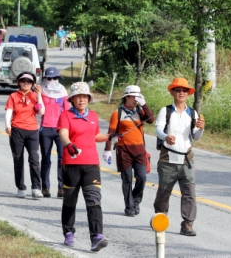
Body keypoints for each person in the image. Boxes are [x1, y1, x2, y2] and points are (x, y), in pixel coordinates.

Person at [57, 82, 113, 252]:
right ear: (72, 99)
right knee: (70, 201)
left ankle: (96, 237)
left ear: (89, 98)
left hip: (91, 165)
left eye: (84, 97)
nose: (82, 100)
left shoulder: (94, 116)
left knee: (94, 200)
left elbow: (95, 135)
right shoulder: (65, 115)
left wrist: (111, 136)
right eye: (78, 97)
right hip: (71, 163)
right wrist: (68, 144)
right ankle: (68, 232)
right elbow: (63, 133)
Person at [153, 77, 205, 236]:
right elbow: (158, 129)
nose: (181, 93)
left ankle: (187, 224)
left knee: (189, 193)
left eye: (184, 90)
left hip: (187, 159)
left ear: (188, 93)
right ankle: (161, 218)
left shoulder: (193, 113)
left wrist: (201, 128)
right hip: (168, 159)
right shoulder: (166, 111)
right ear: (172, 92)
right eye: (178, 90)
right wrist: (165, 137)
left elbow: (195, 137)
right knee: (164, 193)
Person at [103, 85, 155, 217]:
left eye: (138, 97)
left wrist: (145, 105)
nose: (136, 99)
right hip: (124, 150)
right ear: (126, 97)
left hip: (139, 150)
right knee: (126, 179)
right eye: (133, 96)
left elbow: (151, 119)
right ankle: (129, 206)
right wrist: (107, 150)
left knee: (142, 177)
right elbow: (111, 132)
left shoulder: (140, 111)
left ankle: (136, 201)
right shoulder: (118, 113)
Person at [5, 72, 45, 199]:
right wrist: (8, 125)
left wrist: (39, 95)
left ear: (33, 84)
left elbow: (41, 111)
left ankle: (36, 187)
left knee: (34, 158)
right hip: (17, 130)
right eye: (23, 81)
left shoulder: (35, 96)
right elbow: (9, 111)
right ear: (18, 82)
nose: (26, 83)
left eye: (29, 81)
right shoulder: (13, 96)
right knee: (18, 159)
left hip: (32, 130)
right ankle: (21, 187)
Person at [39, 67, 70, 198]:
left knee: (62, 158)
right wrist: (37, 95)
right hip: (45, 128)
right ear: (45, 79)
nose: (52, 81)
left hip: (60, 129)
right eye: (49, 78)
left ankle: (61, 187)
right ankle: (45, 187)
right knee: (46, 159)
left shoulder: (63, 92)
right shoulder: (41, 91)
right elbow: (39, 109)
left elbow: (67, 111)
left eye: (55, 78)